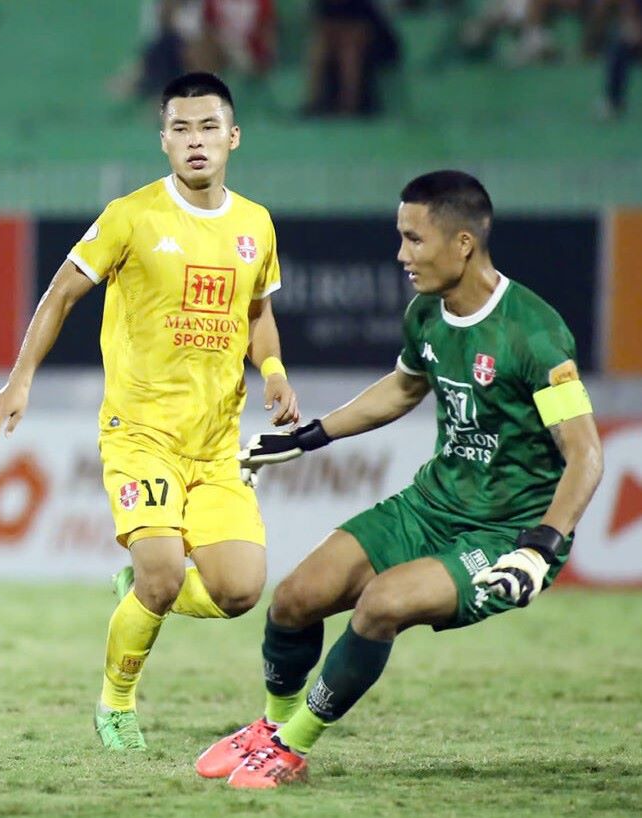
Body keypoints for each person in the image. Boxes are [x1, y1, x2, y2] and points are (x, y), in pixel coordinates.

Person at [200, 170, 603, 788]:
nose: (401, 254)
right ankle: (270, 730)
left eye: (414, 239)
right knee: (294, 600)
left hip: (504, 534)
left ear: (463, 243)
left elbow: (585, 456)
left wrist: (539, 549)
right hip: (428, 506)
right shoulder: (426, 315)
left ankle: (291, 750)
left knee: (380, 605)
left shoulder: (535, 333)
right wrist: (311, 435)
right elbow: (403, 389)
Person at [0, 72, 299, 751]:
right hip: (141, 434)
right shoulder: (132, 215)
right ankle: (116, 703)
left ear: (233, 136)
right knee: (163, 577)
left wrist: (272, 370)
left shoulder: (256, 224)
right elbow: (61, 292)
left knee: (241, 591)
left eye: (209, 127)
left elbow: (259, 311)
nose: (196, 141)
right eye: (181, 129)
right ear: (164, 141)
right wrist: (19, 381)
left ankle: (143, 585)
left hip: (217, 446)